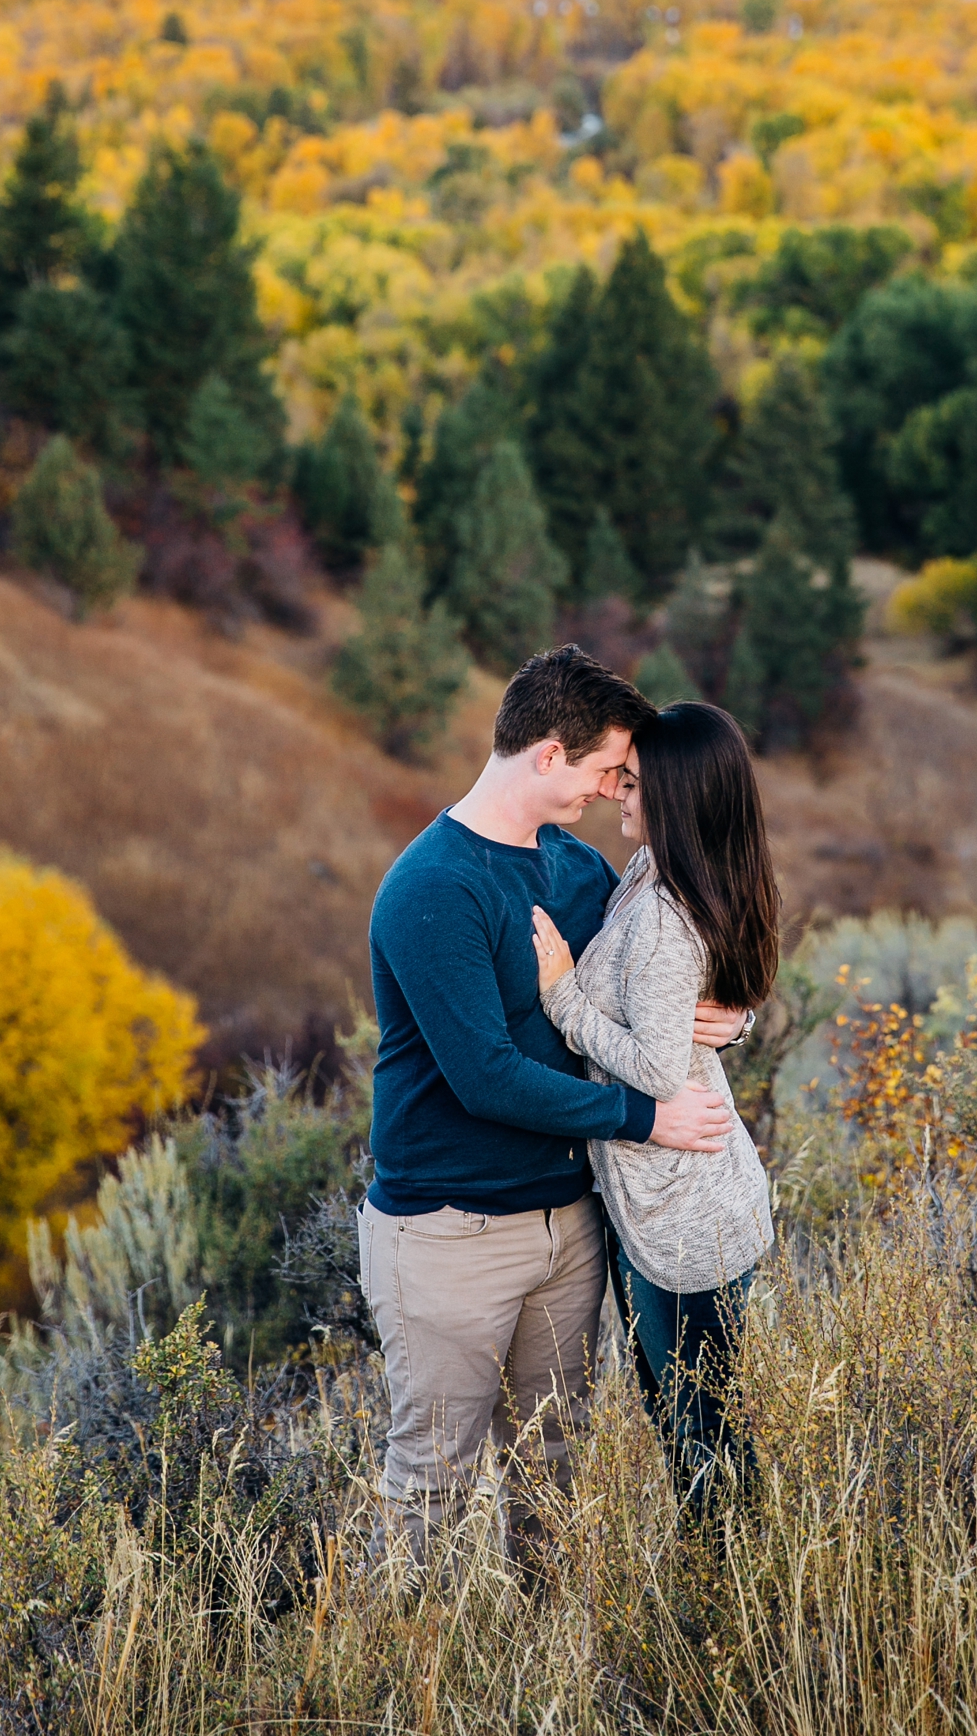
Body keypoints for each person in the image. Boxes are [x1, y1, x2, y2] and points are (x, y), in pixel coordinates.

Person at [360, 646, 748, 1563]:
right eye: (609, 768)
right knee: (434, 1482)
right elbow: (485, 1076)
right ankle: (416, 1682)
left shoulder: (577, 872)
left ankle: (546, 1674)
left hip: (571, 1225)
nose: (619, 790)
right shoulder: (432, 889)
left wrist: (732, 1023)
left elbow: (666, 975)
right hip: (448, 1232)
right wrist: (644, 1119)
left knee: (555, 1472)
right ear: (548, 756)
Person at [531, 701, 778, 1514]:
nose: (617, 796)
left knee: (700, 1438)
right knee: (691, 1426)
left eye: (632, 784)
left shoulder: (668, 918)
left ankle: (730, 1595)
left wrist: (564, 998)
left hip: (681, 1219)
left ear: (673, 798)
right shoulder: (651, 875)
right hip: (670, 1198)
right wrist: (733, 1022)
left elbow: (658, 1069)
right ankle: (727, 1580)